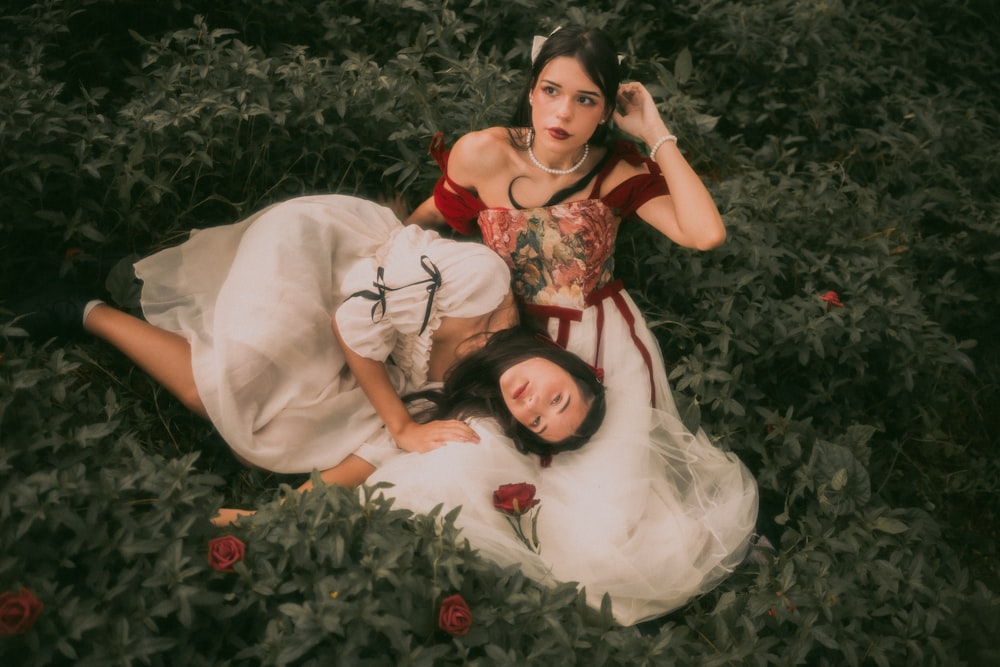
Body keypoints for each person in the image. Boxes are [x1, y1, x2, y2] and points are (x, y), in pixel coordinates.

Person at [382, 25, 759, 624]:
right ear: (531, 90)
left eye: (586, 100)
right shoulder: (483, 152)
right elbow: (436, 217)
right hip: (507, 346)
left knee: (604, 527)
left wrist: (657, 134)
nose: (564, 112)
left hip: (597, 343)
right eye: (552, 90)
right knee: (458, 463)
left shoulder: (613, 170)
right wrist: (382, 256)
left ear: (607, 111)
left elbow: (705, 233)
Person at [13, 194, 605, 487]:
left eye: (535, 422)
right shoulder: (484, 284)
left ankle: (97, 307)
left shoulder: (477, 393)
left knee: (259, 438)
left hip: (358, 339)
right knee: (233, 385)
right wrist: (401, 423)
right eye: (557, 398)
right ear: (561, 361)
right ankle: (78, 305)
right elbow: (354, 323)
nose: (532, 405)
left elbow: (386, 448)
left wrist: (287, 508)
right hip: (325, 257)